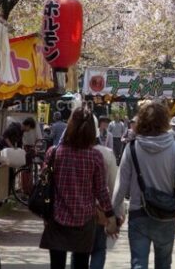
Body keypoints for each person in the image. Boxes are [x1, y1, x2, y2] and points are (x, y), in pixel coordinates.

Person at [113, 101, 175, 269]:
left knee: (138, 263)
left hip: (138, 214)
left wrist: (113, 213)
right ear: (165, 121)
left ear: (141, 121)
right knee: (164, 264)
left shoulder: (132, 148)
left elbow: (121, 185)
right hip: (166, 216)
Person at [40, 109, 117, 269]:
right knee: (81, 264)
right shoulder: (95, 156)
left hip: (56, 218)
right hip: (84, 221)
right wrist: (111, 215)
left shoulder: (54, 153)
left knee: (57, 265)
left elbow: (44, 183)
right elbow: (101, 191)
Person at [72, 116, 118, 269]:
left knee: (78, 251)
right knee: (99, 249)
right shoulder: (105, 153)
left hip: (74, 211)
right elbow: (112, 186)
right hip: (99, 211)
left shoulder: (67, 152)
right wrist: (114, 214)